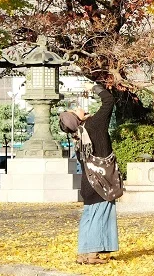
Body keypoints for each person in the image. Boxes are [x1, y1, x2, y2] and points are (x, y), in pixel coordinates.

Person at [59, 83, 120, 265]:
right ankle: (92, 255)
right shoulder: (94, 125)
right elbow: (109, 101)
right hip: (102, 182)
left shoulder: (78, 136)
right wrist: (94, 87)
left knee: (89, 217)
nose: (77, 108)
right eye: (74, 111)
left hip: (88, 182)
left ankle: (83, 254)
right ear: (76, 119)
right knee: (99, 217)